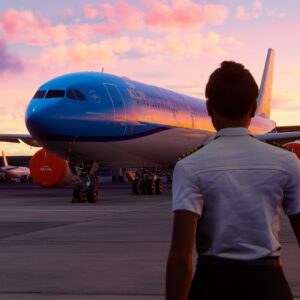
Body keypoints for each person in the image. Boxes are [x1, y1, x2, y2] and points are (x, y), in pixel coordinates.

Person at [166, 61, 300, 300]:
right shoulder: (287, 162)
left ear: (209, 108)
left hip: (212, 285)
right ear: (252, 109)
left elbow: (180, 256)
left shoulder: (189, 166)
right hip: (269, 286)